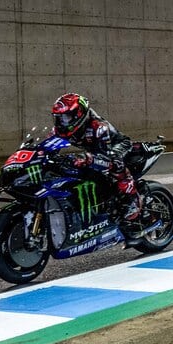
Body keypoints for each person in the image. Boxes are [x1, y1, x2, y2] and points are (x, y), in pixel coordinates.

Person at [51, 93, 144, 238]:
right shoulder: (61, 129)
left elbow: (104, 156)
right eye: (59, 118)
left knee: (114, 163)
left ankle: (133, 199)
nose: (62, 122)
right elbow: (50, 146)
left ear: (78, 114)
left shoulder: (98, 127)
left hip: (117, 146)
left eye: (66, 117)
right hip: (95, 150)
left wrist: (87, 159)